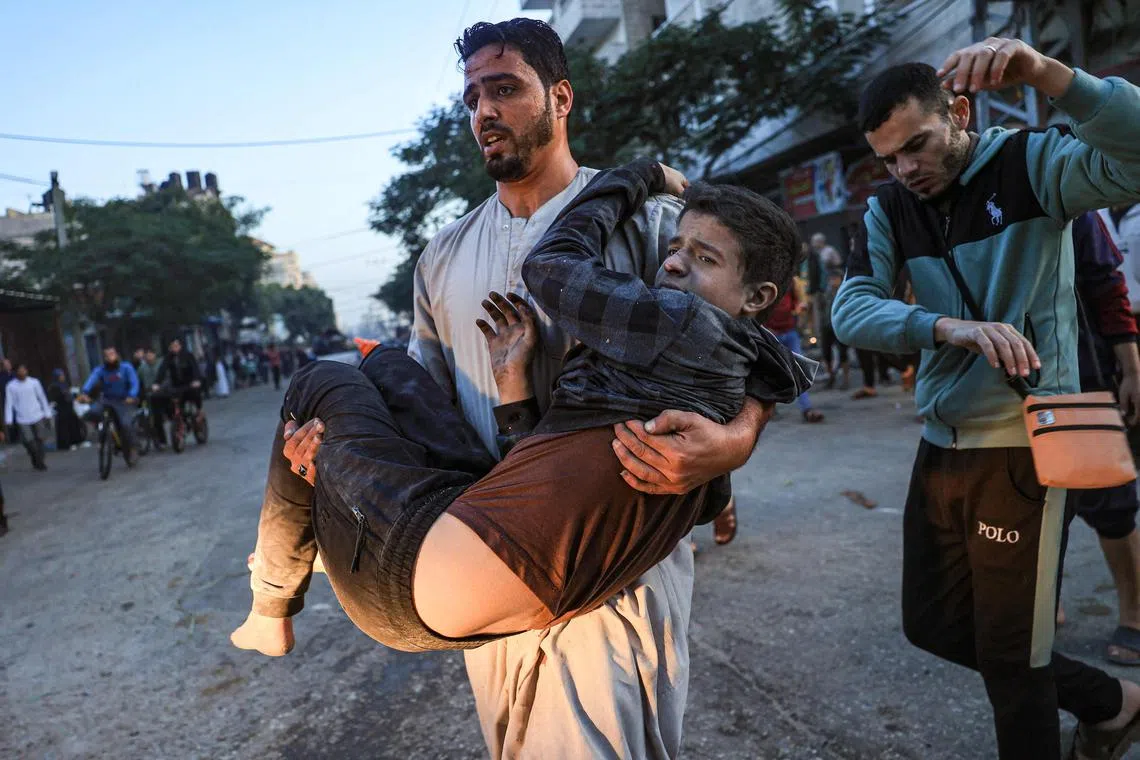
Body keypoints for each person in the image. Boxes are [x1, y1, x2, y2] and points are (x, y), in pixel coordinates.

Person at [244, 19, 777, 760]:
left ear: (560, 98)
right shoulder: (442, 256)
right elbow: (424, 413)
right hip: (482, 547)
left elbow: (743, 357)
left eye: (504, 89)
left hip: (616, 566)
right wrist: (335, 456)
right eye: (472, 98)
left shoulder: (654, 229)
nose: (484, 112)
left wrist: (736, 442)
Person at [234, 157, 811, 656]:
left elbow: (550, 264)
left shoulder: (679, 320)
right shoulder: (730, 381)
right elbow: (533, 475)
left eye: (705, 258)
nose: (674, 264)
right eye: (676, 248)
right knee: (385, 365)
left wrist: (641, 174)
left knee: (319, 380)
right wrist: (514, 384)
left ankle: (271, 603)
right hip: (466, 570)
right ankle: (312, 534)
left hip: (407, 578)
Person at [832, 39, 1140, 758]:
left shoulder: (1032, 164)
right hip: (942, 442)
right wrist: (945, 327)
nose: (906, 170)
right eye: (888, 159)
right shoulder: (890, 209)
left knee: (1013, 658)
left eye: (917, 146)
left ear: (960, 113)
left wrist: (1044, 73)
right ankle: (1114, 702)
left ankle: (1107, 707)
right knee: (932, 624)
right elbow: (851, 310)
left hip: (1028, 440)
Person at [765, 288, 824, 422]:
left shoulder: (790, 284)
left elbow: (797, 303)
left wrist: (800, 313)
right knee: (772, 372)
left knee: (799, 371)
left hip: (790, 331)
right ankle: (769, 409)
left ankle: (807, 409)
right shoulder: (767, 283)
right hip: (772, 333)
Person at [78, 346, 141, 462]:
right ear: (104, 358)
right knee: (91, 413)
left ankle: (133, 448)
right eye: (107, 355)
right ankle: (104, 432)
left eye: (112, 354)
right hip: (107, 400)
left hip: (124, 400)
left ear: (116, 355)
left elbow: (134, 382)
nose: (110, 357)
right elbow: (92, 379)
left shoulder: (126, 367)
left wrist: (132, 395)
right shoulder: (100, 370)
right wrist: (84, 392)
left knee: (126, 424)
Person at [151, 338, 203, 447]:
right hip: (177, 387)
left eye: (176, 346)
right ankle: (179, 422)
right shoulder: (168, 358)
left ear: (180, 346)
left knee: (195, 394)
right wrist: (156, 383)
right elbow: (162, 370)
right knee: (170, 402)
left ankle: (199, 412)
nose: (174, 348)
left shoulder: (188, 355)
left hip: (189, 384)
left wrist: (196, 380)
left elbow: (195, 369)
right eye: (172, 346)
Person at [3, 363, 52, 471]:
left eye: (23, 370)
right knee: (29, 441)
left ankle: (40, 461)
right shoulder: (11, 386)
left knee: (40, 439)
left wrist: (47, 413)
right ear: (16, 372)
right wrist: (9, 420)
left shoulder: (34, 382)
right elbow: (9, 404)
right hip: (22, 418)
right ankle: (34, 456)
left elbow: (42, 397)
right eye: (19, 371)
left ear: (27, 371)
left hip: (37, 415)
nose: (22, 373)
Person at [46, 369, 85, 451]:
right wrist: (66, 395)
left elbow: (69, 394)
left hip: (69, 408)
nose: (63, 377)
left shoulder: (64, 384)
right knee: (65, 428)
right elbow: (57, 398)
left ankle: (76, 441)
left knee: (74, 425)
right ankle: (67, 444)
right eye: (61, 375)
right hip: (62, 409)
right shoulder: (54, 386)